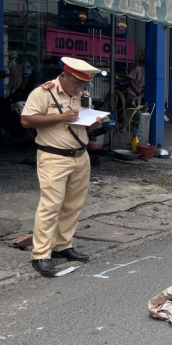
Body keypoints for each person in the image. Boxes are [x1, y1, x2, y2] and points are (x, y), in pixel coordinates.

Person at [20, 57, 107, 277]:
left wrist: (95, 123)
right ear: (64, 75)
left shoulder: (83, 96)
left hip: (80, 156)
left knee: (73, 205)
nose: (80, 88)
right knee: (51, 206)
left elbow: (82, 126)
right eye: (76, 82)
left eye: (84, 84)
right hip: (53, 157)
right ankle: (40, 254)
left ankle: (62, 245)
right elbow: (26, 120)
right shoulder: (44, 93)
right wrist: (60, 117)